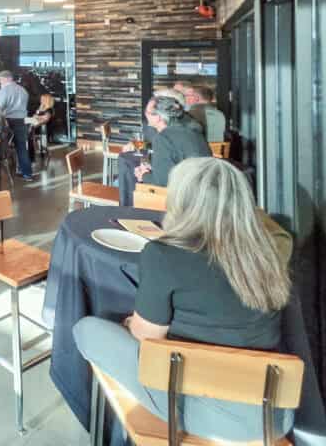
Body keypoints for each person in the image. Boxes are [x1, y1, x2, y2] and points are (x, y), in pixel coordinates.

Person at [74, 158, 294, 442]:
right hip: (272, 413)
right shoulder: (271, 250)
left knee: (86, 328)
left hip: (201, 409)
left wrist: (130, 322)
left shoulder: (164, 255)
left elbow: (146, 340)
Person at [119, 94, 212, 205]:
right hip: (204, 193)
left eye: (147, 112)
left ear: (158, 117)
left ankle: (127, 215)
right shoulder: (193, 130)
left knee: (131, 182)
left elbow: (162, 183)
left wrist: (143, 175)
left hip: (184, 200)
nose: (145, 115)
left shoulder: (164, 138)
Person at [0, 70, 32, 180]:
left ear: (8, 78)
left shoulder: (4, 91)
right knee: (21, 148)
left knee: (1, 146)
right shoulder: (23, 90)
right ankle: (27, 174)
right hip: (21, 121)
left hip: (8, 122)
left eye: (1, 79)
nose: (0, 81)